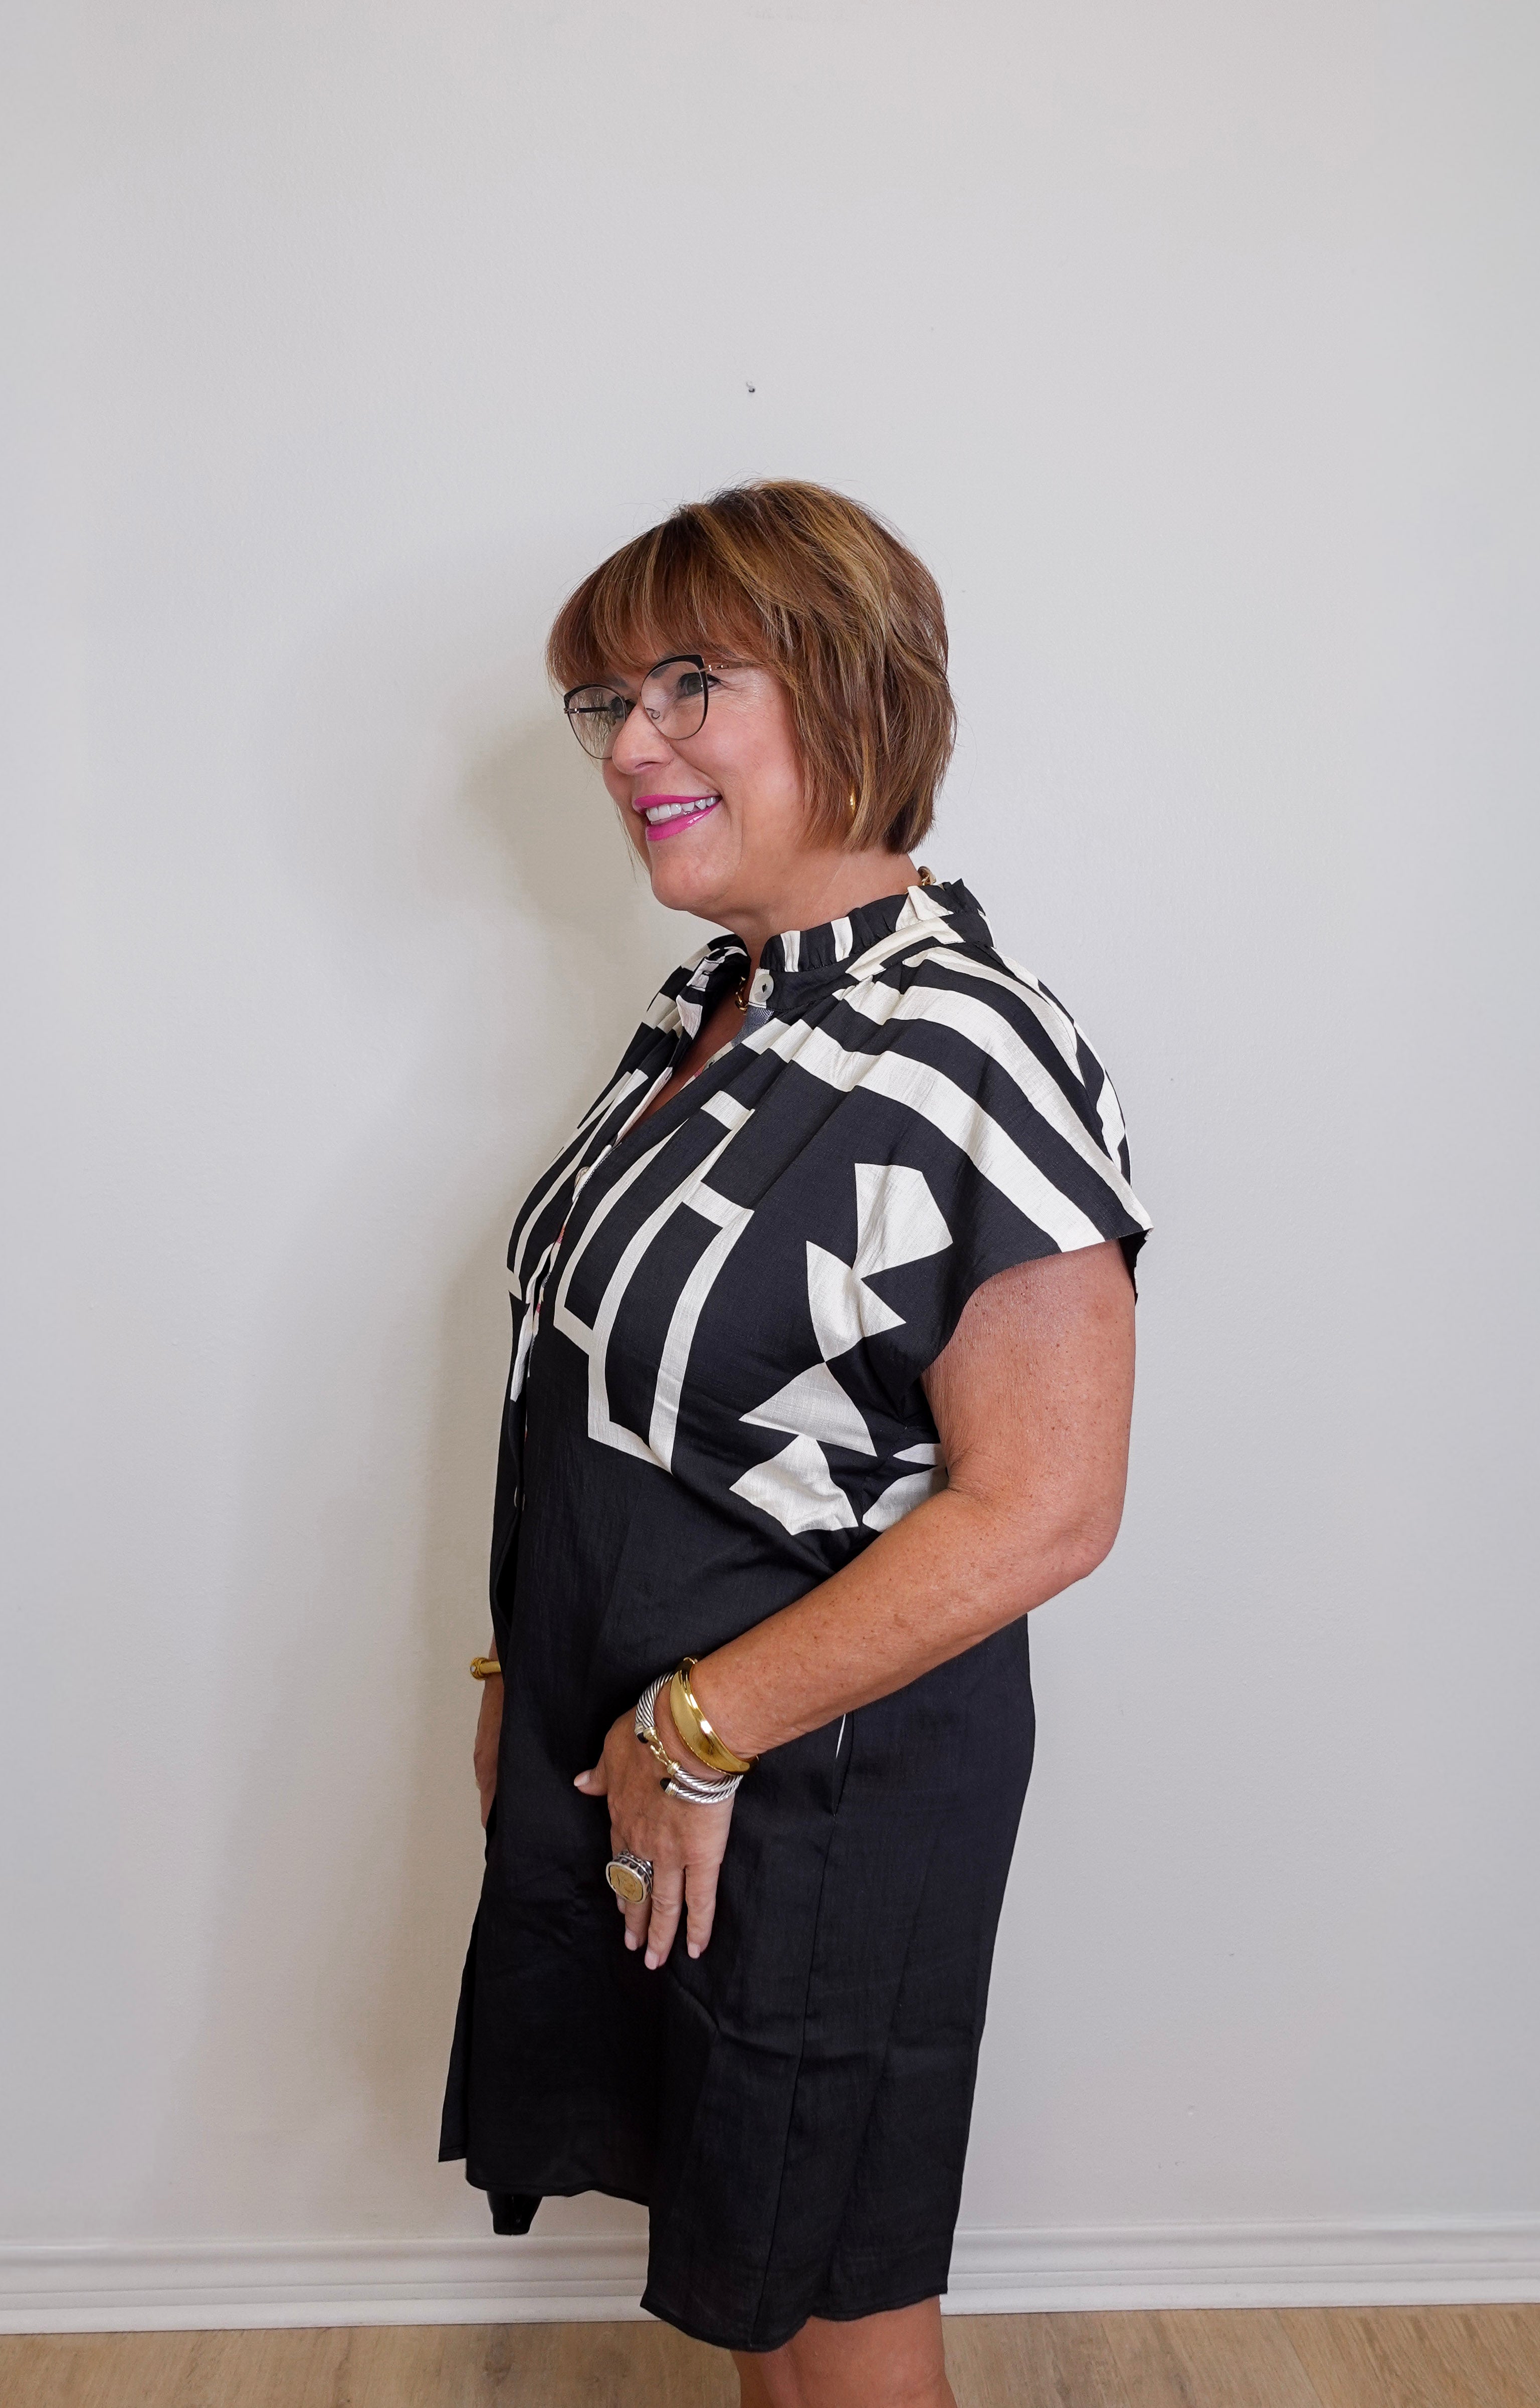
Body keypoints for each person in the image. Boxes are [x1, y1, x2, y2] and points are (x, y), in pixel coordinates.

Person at [442, 480, 1149, 2408]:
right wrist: (534, 1667)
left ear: (851, 686)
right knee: (747, 2269)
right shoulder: (714, 1009)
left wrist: (697, 1729)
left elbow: (1044, 1505)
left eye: (690, 682)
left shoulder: (969, 1044)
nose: (632, 745)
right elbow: (599, 1400)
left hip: (819, 1782)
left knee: (833, 2306)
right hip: (649, 1751)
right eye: (607, 703)